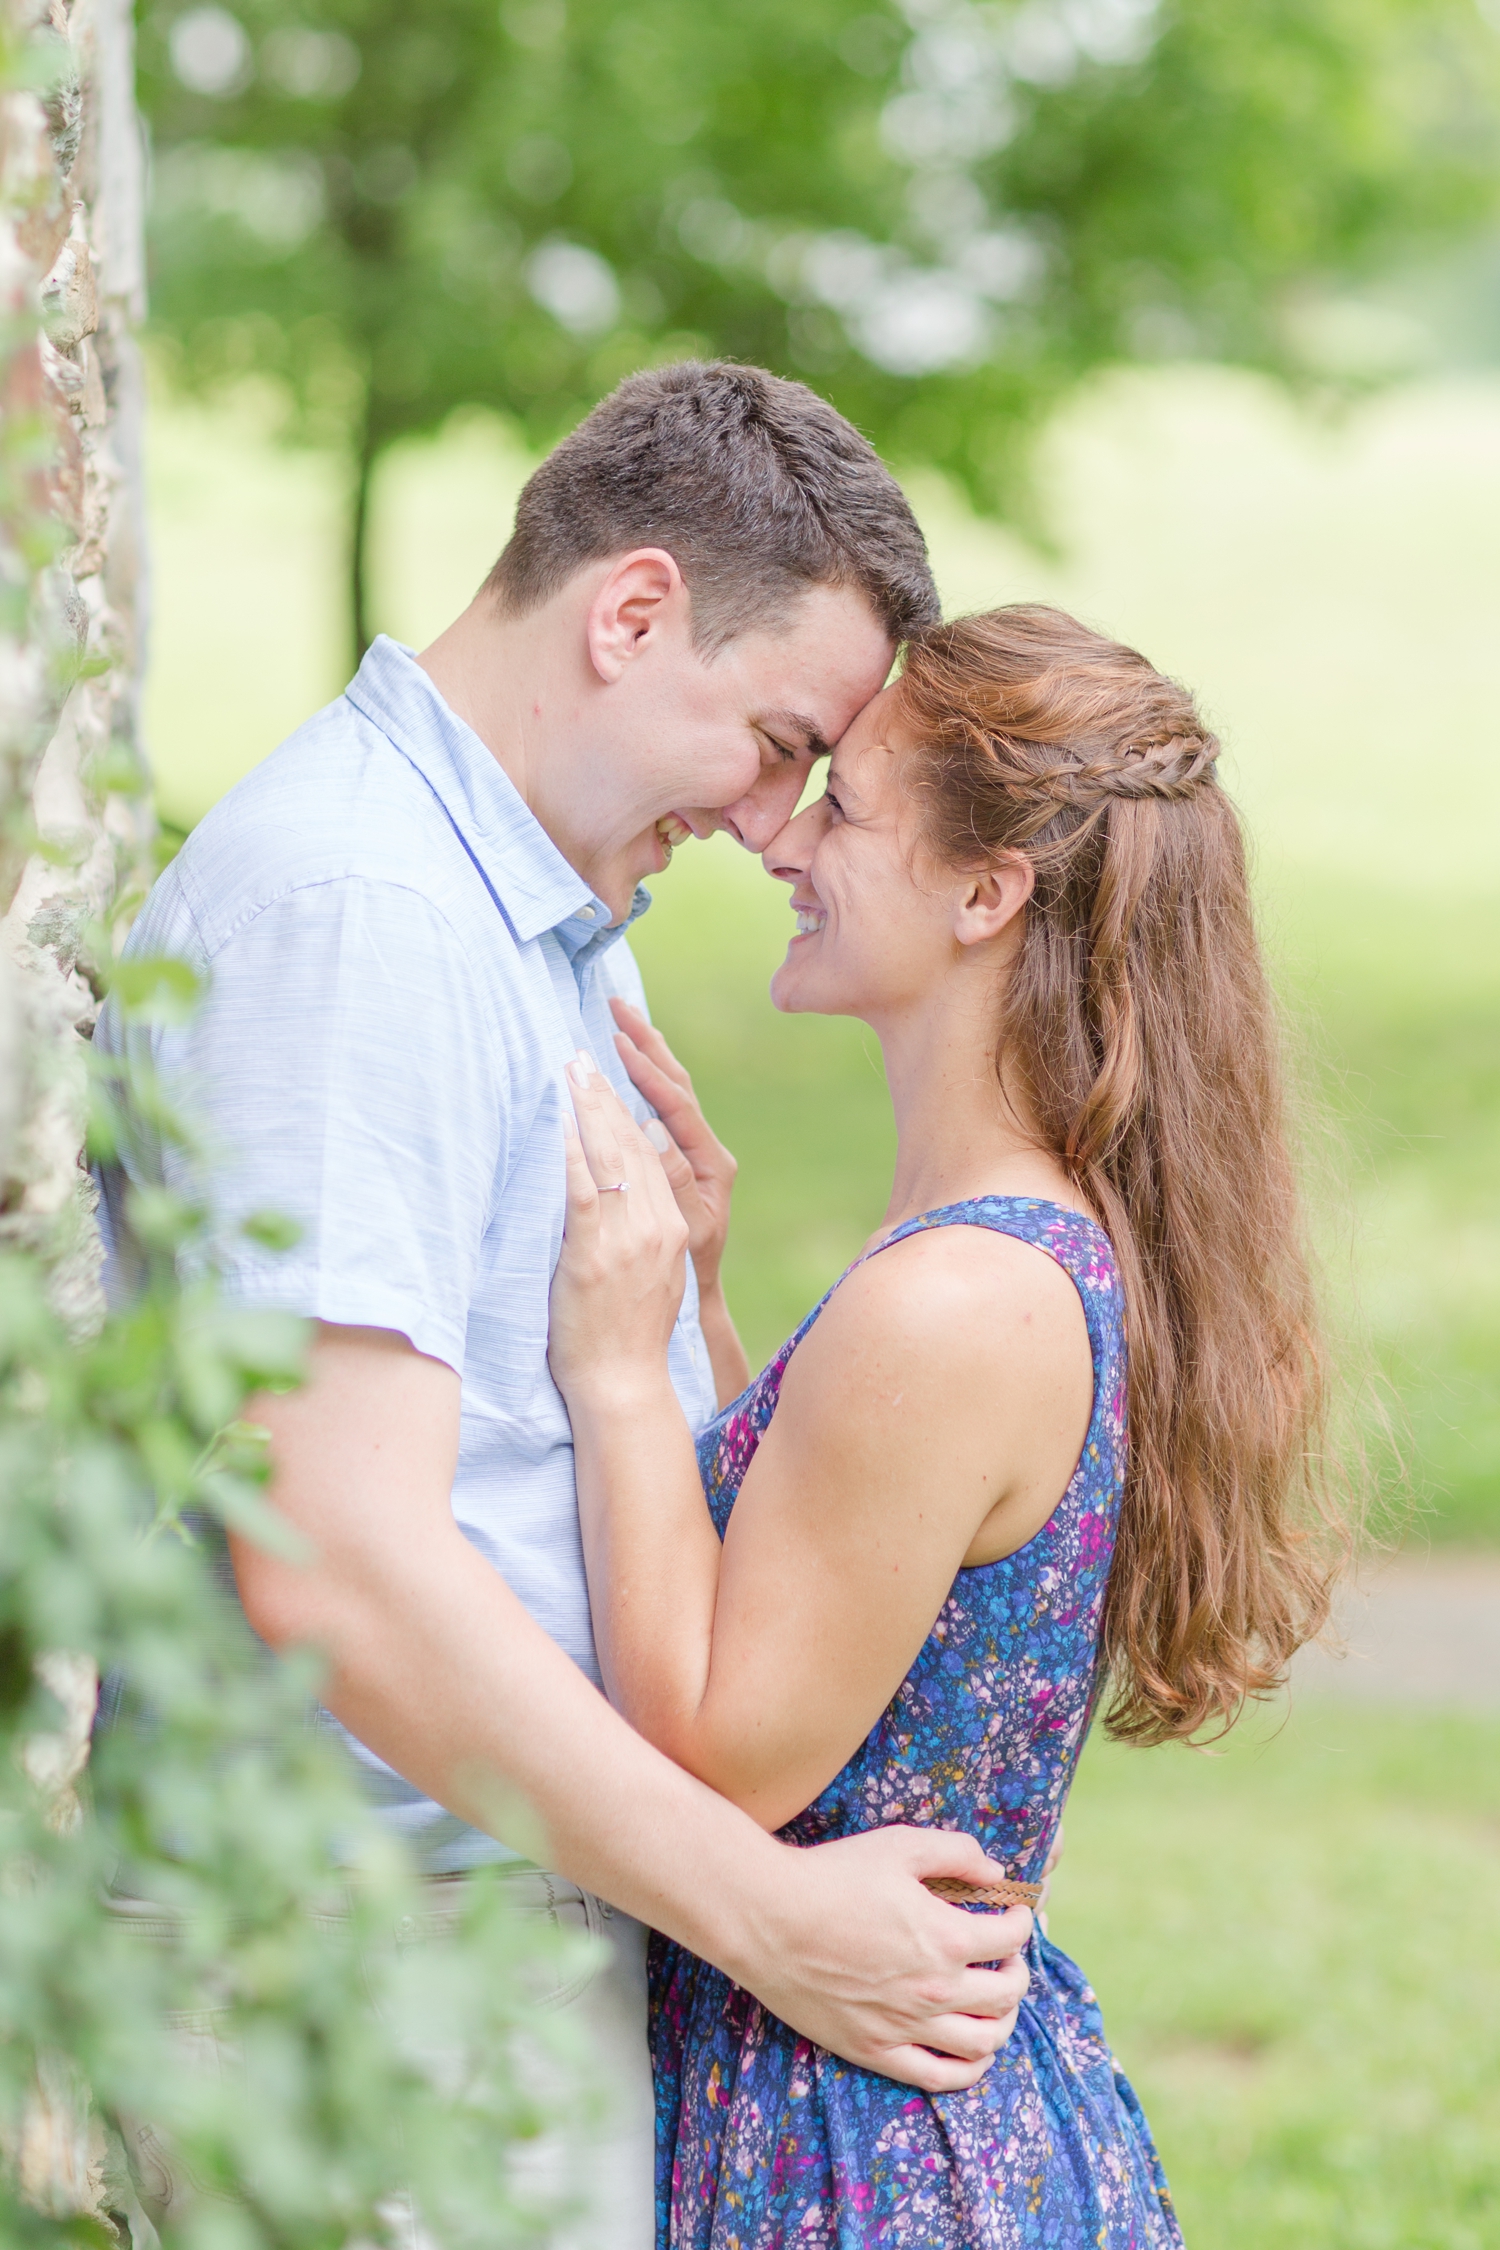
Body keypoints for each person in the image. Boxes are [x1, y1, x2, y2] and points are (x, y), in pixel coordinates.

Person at [93, 364, 1037, 2245]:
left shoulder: (506, 911)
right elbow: (336, 1557)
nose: (780, 827)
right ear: (630, 615)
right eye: (777, 741)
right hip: (366, 1963)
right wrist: (765, 1920)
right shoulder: (365, 912)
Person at [547, 604, 1347, 2245]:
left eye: (841, 804)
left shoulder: (960, 1297)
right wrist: (705, 1308)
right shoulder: (1000, 1250)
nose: (779, 832)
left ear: (991, 894)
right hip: (891, 2094)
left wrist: (622, 1374)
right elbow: (857, 1600)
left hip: (856, 2143)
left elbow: (720, 1752)